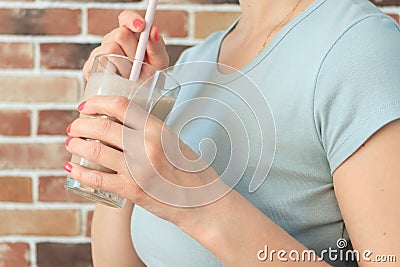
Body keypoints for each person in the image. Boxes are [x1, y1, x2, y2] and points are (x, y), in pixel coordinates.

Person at [63, 0, 400, 266]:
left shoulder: (361, 48)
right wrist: (123, 116)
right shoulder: (197, 60)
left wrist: (198, 202)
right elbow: (118, 262)